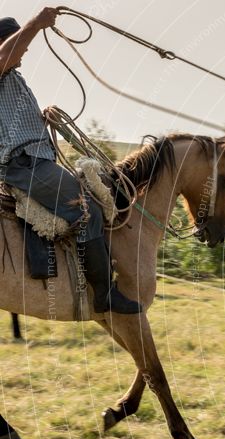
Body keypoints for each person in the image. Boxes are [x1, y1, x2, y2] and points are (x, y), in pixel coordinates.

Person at [0, 8, 141, 314]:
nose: (25, 51)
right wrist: (36, 23)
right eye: (19, 46)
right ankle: (104, 295)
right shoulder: (1, 69)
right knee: (86, 206)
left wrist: (42, 117)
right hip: (25, 164)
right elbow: (5, 55)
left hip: (36, 160)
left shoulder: (14, 79)